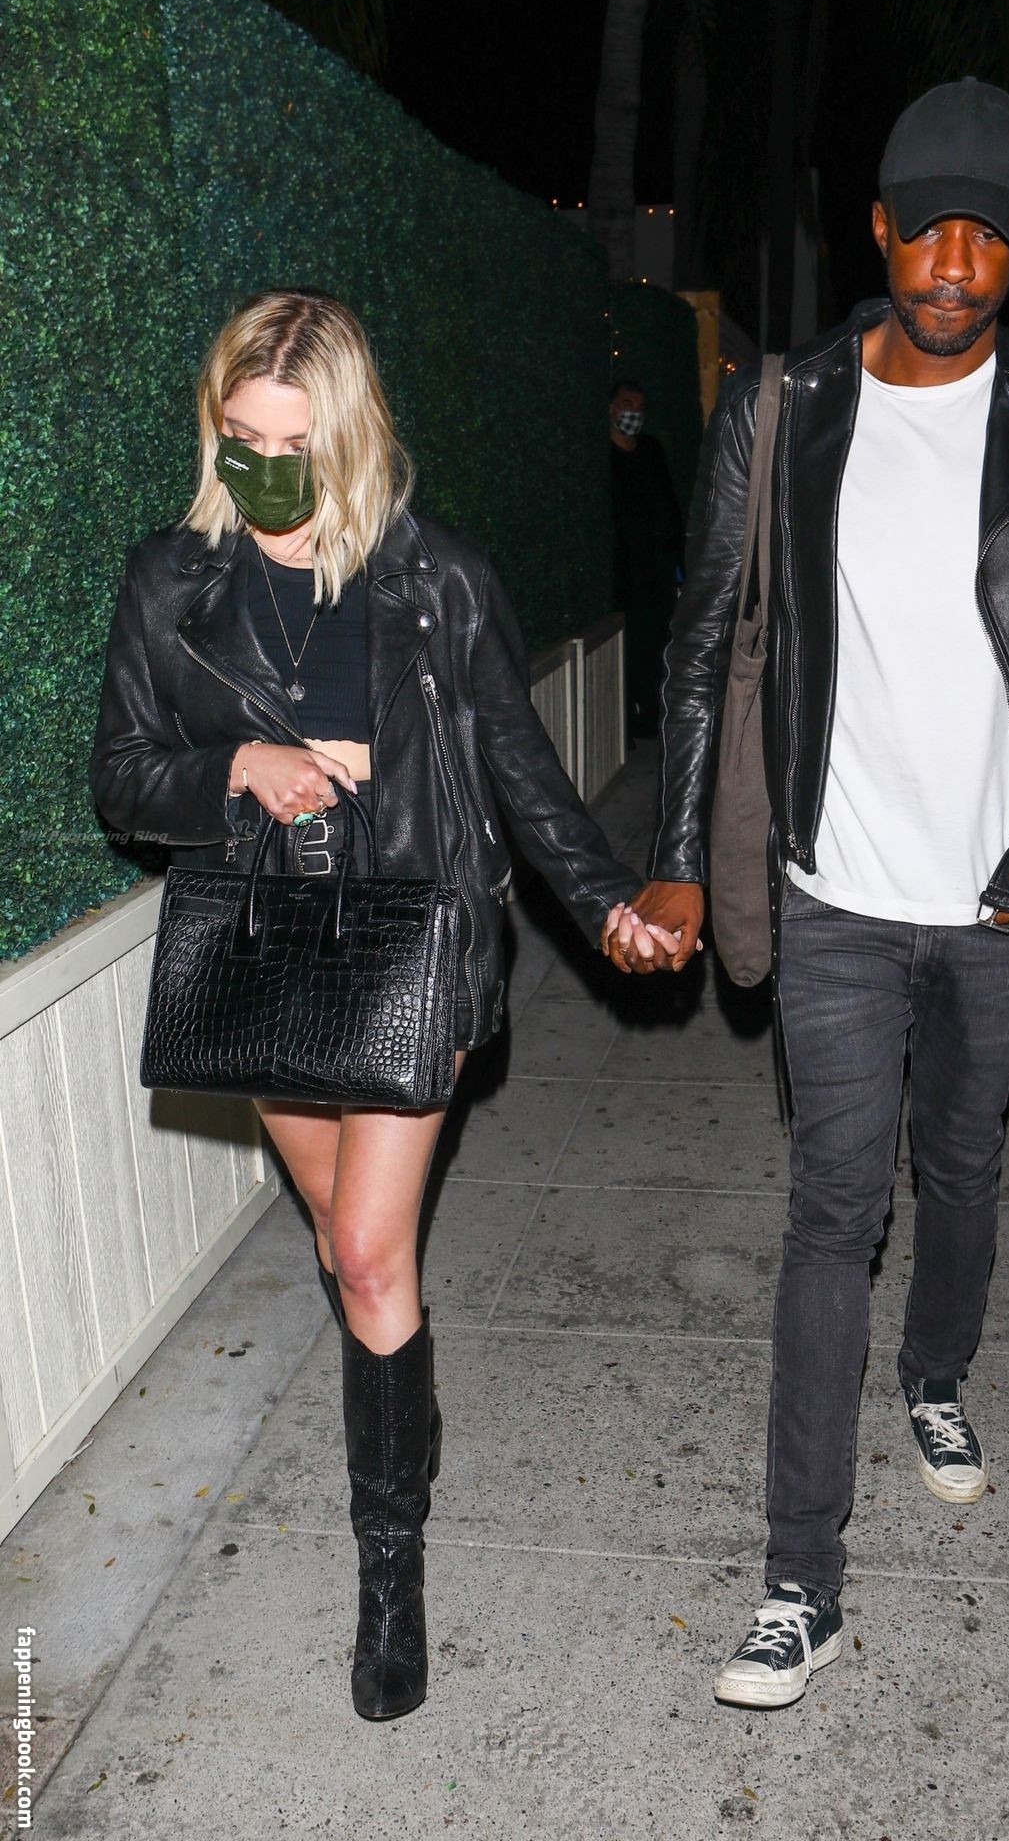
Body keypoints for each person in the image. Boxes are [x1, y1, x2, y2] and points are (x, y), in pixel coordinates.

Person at [604, 79, 1009, 1708]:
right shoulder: (787, 404)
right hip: (836, 886)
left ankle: (936, 1373)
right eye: (926, 227)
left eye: (985, 234)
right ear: (877, 229)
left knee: (965, 1162)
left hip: (1005, 891)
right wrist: (678, 849)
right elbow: (704, 632)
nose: (953, 261)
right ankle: (801, 1581)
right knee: (833, 1205)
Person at [89, 289, 674, 1723]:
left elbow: (521, 766)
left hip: (415, 942)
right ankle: (398, 1394)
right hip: (268, 950)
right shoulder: (171, 581)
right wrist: (241, 770)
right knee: (351, 1255)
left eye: (292, 443)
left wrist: (607, 900)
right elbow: (123, 779)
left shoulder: (435, 579)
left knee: (362, 1248)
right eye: (240, 438)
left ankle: (389, 1570)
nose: (262, 469)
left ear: (347, 434)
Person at [609, 377, 684, 737]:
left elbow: (668, 506)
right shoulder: (607, 458)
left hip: (656, 573)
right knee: (629, 649)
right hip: (624, 576)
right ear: (612, 409)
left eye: (639, 407)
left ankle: (652, 716)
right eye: (627, 405)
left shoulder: (650, 450)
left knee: (656, 646)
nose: (633, 414)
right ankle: (630, 720)